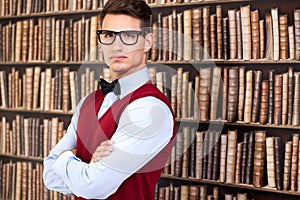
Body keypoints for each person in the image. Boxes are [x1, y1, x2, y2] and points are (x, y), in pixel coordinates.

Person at [43, 0, 176, 199]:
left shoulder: (150, 109)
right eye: (108, 35)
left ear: (147, 42)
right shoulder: (88, 103)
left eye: (129, 36)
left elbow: (92, 187)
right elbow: (49, 177)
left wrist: (66, 156)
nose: (117, 46)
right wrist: (85, 166)